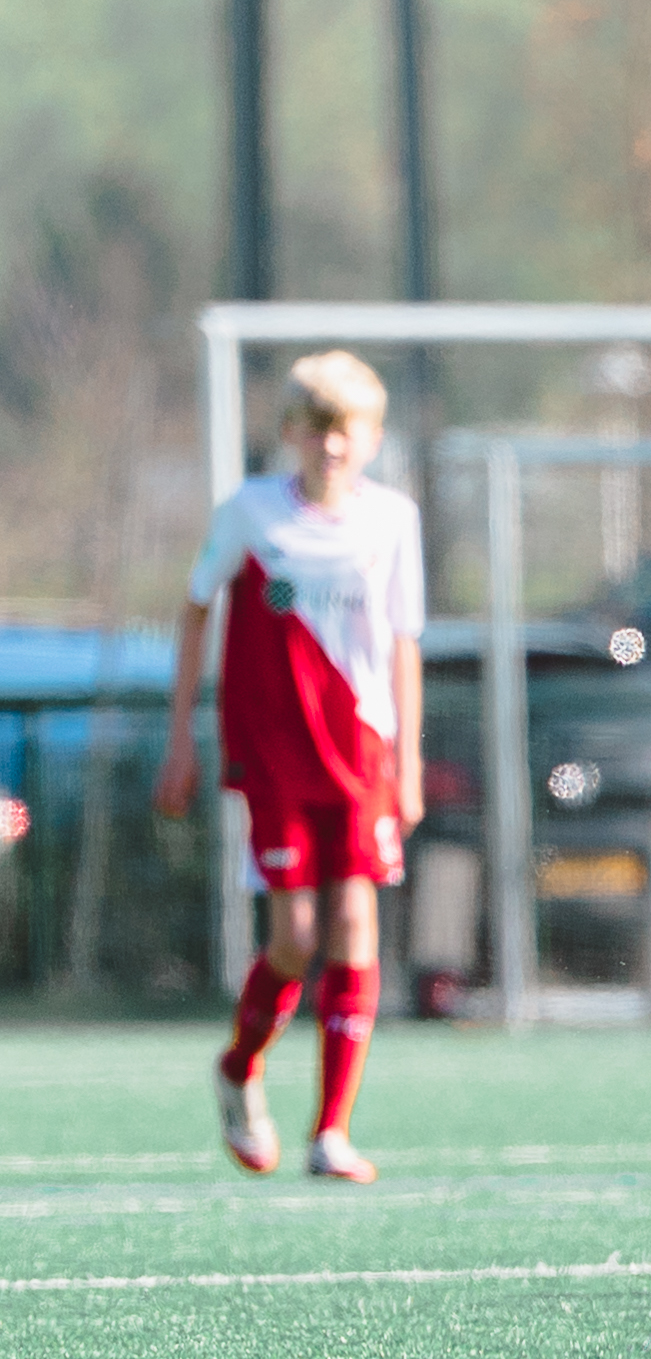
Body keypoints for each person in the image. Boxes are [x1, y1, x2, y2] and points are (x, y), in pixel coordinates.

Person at [158, 350, 427, 1184]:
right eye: (316, 428)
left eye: (347, 429)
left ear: (371, 438)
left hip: (362, 756)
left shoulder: (392, 521)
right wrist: (181, 737)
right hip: (274, 757)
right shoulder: (250, 515)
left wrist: (409, 760)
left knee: (354, 925)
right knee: (296, 938)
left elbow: (401, 642)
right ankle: (239, 1067)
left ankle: (332, 1132)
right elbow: (198, 608)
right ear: (290, 434)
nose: (332, 445)